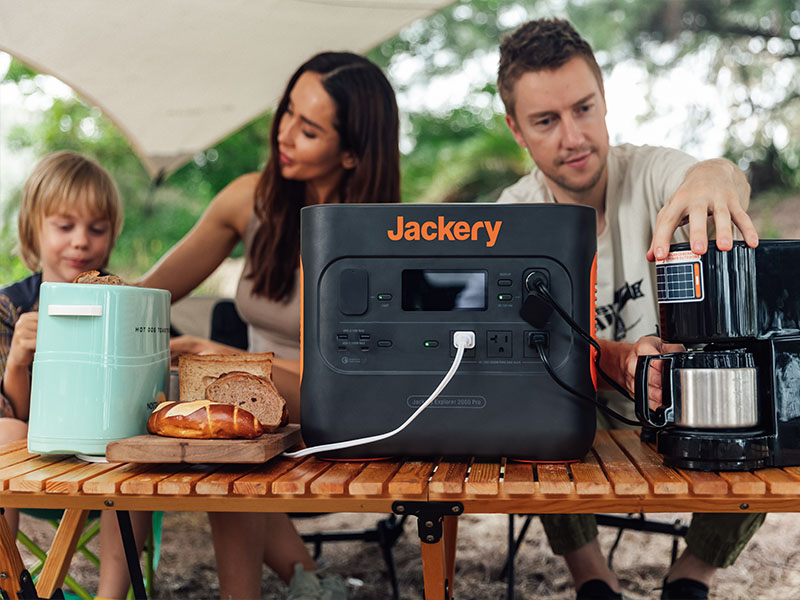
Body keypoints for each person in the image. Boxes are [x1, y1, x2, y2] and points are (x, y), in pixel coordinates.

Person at [496, 18, 762, 600]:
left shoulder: (649, 171)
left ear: (604, 100)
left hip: (682, 405)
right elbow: (519, 352)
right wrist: (616, 360)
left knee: (758, 385)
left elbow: (711, 177)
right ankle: (593, 579)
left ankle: (693, 576)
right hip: (577, 412)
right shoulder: (512, 216)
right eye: (546, 121)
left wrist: (717, 177)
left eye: (584, 108)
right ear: (517, 129)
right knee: (532, 401)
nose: (574, 136)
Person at [138, 51, 400, 599]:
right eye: (286, 114)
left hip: (343, 411)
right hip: (260, 414)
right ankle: (314, 583)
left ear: (352, 153)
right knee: (214, 423)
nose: (284, 134)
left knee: (220, 410)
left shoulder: (384, 239)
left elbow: (355, 383)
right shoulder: (249, 198)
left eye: (308, 130)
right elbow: (151, 296)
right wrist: (79, 301)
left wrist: (227, 360)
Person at [0, 151, 153, 600]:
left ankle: (110, 596)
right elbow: (12, 415)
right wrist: (17, 363)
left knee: (133, 446)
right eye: (65, 226)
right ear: (34, 227)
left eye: (96, 228)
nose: (81, 242)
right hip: (32, 461)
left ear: (112, 232)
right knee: (4, 428)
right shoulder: (10, 309)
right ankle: (9, 583)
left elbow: (149, 395)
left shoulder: (127, 303)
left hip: (108, 460)